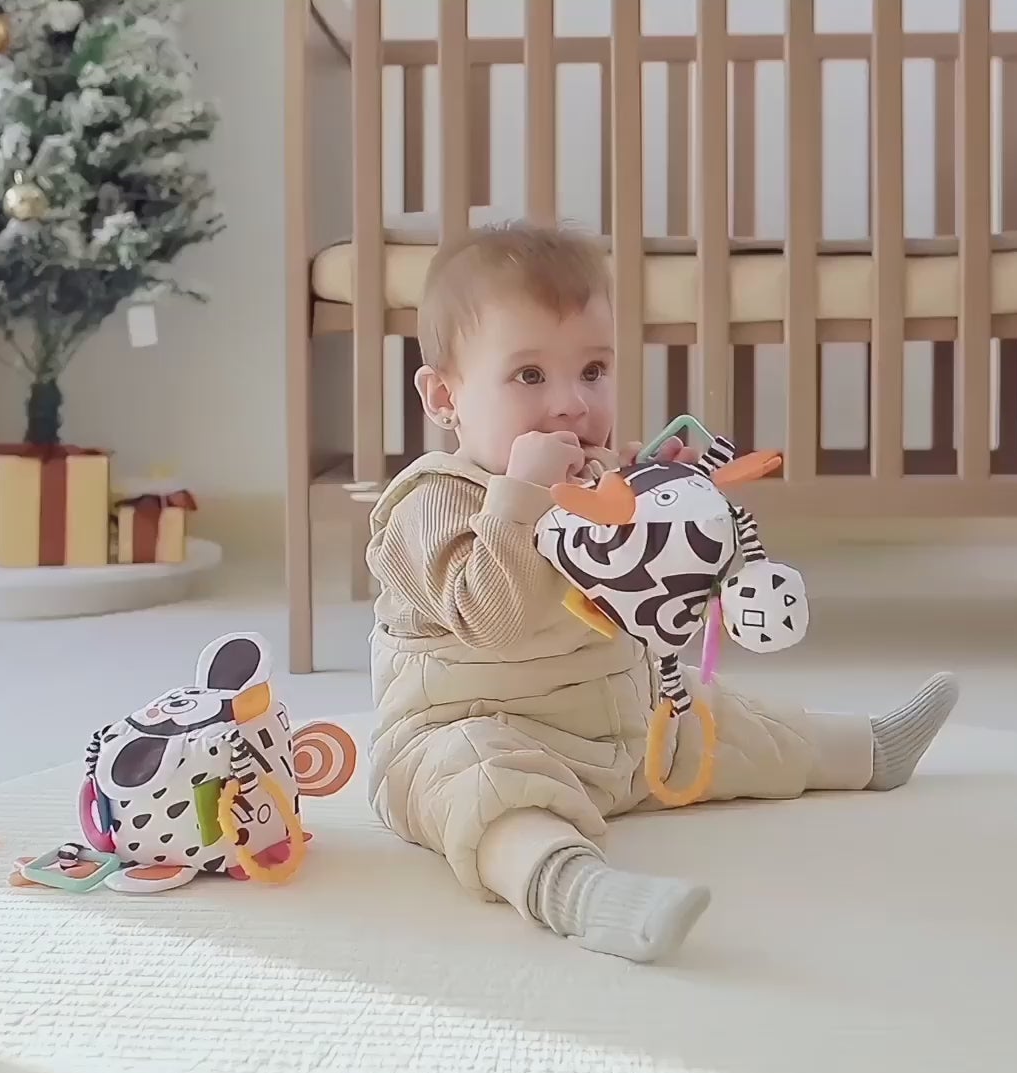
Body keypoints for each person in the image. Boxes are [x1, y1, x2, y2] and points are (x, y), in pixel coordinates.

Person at [362, 220, 958, 963]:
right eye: (529, 376)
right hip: (475, 728)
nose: (573, 404)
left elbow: (651, 584)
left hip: (618, 729)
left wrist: (663, 498)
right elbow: (495, 620)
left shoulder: (600, 478)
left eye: (594, 371)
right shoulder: (431, 503)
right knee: (481, 789)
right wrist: (518, 495)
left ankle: (869, 749)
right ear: (444, 395)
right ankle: (571, 887)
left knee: (731, 724)